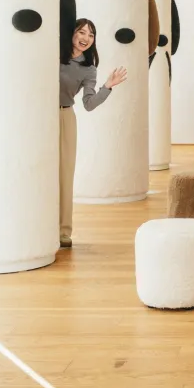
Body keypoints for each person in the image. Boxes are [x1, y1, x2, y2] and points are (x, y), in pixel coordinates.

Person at [58, 18, 127, 248]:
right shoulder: (53, 55)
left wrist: (107, 87)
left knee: (65, 175)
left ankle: (63, 231)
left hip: (65, 116)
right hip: (40, 117)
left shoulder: (88, 69)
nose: (86, 38)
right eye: (81, 32)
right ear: (72, 33)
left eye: (91, 35)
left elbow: (89, 104)